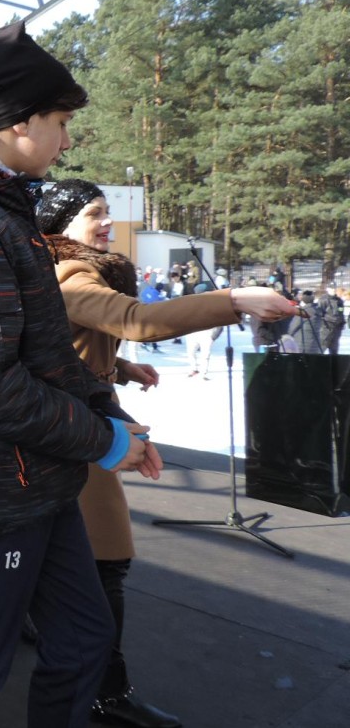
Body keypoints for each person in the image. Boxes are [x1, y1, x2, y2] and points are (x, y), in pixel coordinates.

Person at [0, 21, 161, 728]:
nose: (67, 141)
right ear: (16, 123)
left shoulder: (2, 213)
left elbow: (46, 354)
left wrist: (110, 414)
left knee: (84, 639)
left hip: (39, 484)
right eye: (61, 122)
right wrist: (103, 440)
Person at [34, 178, 297, 728]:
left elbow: (65, 346)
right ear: (62, 226)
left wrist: (120, 368)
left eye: (107, 211)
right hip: (80, 437)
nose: (107, 221)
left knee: (66, 559)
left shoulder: (57, 270)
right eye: (94, 213)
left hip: (77, 425)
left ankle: (52, 639)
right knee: (108, 562)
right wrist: (233, 300)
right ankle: (105, 693)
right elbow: (138, 320)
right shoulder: (72, 274)